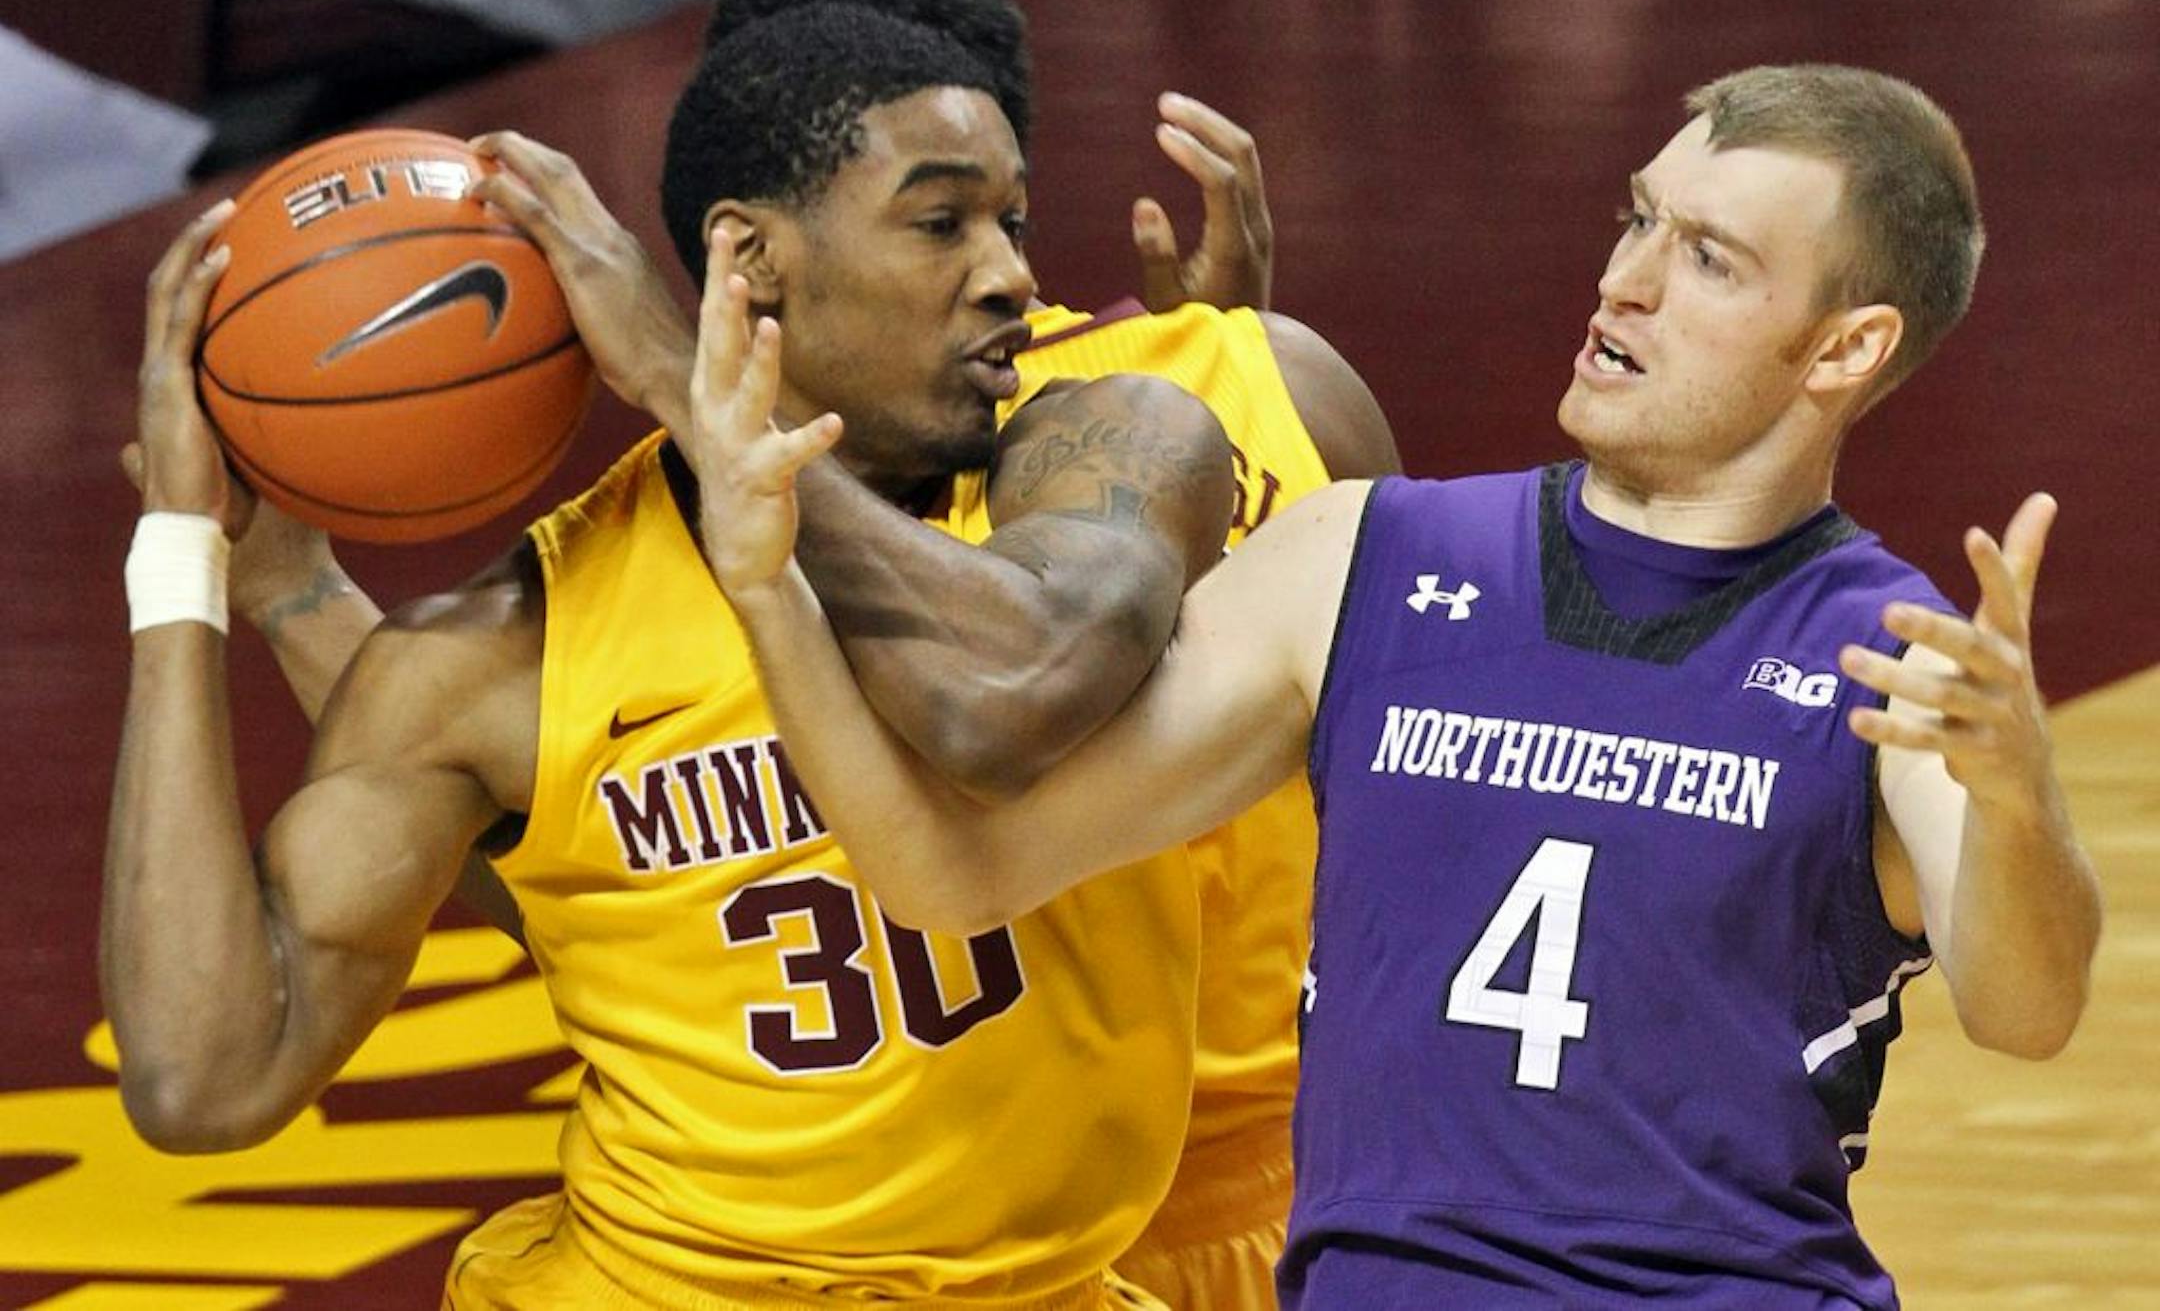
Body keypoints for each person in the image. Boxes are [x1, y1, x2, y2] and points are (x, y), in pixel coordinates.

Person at [692, 63, 2103, 1307]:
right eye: (1638, 220)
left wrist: (2020, 798)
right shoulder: (1361, 557)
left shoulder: (1893, 659)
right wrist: (773, 589)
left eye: (1712, 261)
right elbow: (956, 873)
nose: (1624, 283)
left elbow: (2026, 1011)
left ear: (1846, 348)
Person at [105, 0, 1391, 1311]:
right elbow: (207, 1079)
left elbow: (1002, 694)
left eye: (1013, 219)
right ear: (752, 255)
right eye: (943, 224)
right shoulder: (503, 648)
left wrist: (684, 382)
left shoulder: (1120, 436)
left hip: (1096, 1262)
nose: (1012, 272)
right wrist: (191, 564)